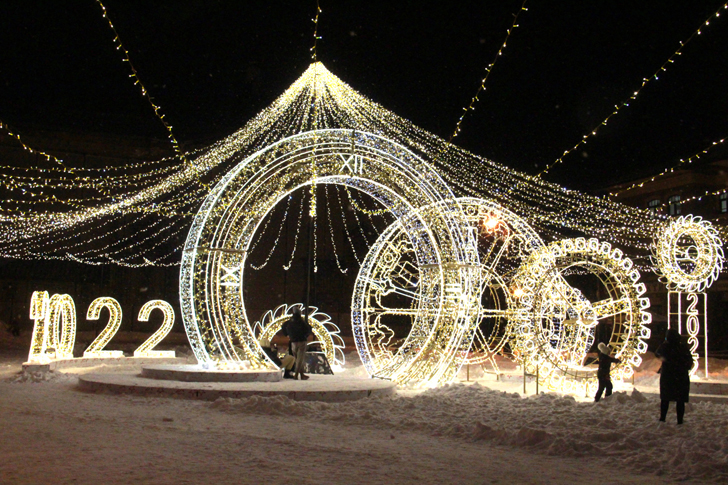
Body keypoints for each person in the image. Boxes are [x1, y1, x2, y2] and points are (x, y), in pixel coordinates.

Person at [656, 328, 693, 424]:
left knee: (665, 399)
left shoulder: (665, 347)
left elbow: (658, 354)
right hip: (681, 376)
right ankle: (679, 420)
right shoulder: (682, 347)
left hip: (668, 376)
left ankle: (662, 418)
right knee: (680, 400)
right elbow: (689, 360)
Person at [281, 307, 312, 380]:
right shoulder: (302, 321)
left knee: (297, 359)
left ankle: (302, 375)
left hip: (293, 342)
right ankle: (296, 375)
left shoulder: (290, 322)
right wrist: (305, 336)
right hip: (301, 341)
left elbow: (284, 326)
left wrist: (288, 334)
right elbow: (308, 329)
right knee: (300, 360)